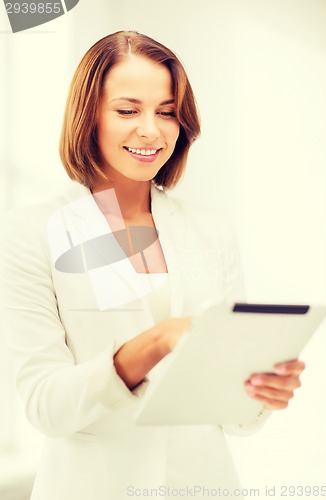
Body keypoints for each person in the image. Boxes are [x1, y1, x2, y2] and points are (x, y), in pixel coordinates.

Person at [1, 31, 304, 500]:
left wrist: (259, 390)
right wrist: (155, 342)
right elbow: (46, 406)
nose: (152, 130)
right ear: (88, 117)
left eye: (166, 112)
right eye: (127, 110)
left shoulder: (210, 229)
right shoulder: (34, 231)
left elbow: (231, 415)